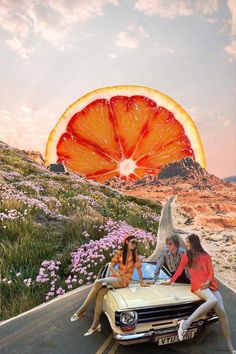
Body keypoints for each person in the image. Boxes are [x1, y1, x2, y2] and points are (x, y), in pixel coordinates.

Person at [162, 233, 235, 354]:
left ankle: (230, 348)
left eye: (188, 242)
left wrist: (207, 282)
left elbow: (211, 272)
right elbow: (179, 270)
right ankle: (185, 324)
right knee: (213, 301)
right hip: (197, 285)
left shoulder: (205, 256)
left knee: (221, 312)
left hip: (211, 285)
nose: (186, 244)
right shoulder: (186, 255)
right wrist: (170, 281)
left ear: (193, 243)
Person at [70, 235, 147, 336]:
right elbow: (111, 267)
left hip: (124, 281)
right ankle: (95, 324)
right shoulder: (119, 252)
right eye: (133, 242)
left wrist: (142, 282)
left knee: (98, 282)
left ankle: (82, 309)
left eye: (136, 243)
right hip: (117, 278)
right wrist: (117, 273)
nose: (134, 244)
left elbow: (139, 269)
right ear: (127, 242)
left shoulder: (134, 256)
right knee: (101, 293)